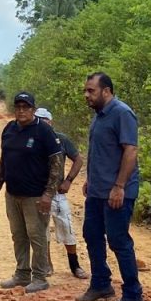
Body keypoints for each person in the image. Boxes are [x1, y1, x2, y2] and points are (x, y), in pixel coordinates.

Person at [76, 72, 144, 301]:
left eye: (91, 91)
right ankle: (101, 283)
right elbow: (100, 152)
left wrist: (119, 186)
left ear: (106, 91)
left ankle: (133, 295)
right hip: (97, 190)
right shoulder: (99, 116)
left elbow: (130, 151)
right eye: (85, 90)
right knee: (91, 234)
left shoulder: (122, 113)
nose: (86, 95)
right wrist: (90, 181)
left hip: (117, 192)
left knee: (118, 240)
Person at [0, 91, 64, 293]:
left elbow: (56, 165)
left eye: (26, 107)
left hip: (36, 196)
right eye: (18, 107)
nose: (22, 111)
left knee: (37, 235)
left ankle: (39, 277)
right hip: (13, 194)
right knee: (18, 235)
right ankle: (22, 273)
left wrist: (48, 194)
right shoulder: (9, 129)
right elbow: (5, 159)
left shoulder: (44, 131)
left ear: (33, 109)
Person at [35, 107, 89, 280]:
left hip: (57, 193)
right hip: (38, 192)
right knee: (42, 231)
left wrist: (68, 180)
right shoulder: (32, 139)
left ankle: (75, 266)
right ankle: (47, 265)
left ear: (50, 121)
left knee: (66, 227)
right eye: (39, 119)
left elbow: (78, 159)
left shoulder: (61, 139)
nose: (42, 122)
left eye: (45, 119)